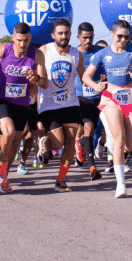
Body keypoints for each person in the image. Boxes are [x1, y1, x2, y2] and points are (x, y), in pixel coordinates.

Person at [83, 20, 132, 198]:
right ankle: (121, 185)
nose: (123, 40)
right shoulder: (102, 54)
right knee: (119, 138)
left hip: (131, 96)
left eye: (126, 37)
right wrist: (95, 86)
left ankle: (113, 144)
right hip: (110, 97)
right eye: (119, 36)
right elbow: (86, 76)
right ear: (112, 35)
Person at [0, 23, 46, 193]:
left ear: (30, 38)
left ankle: (4, 176)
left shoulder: (37, 54)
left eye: (26, 40)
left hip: (22, 102)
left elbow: (45, 83)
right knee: (8, 132)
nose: (23, 44)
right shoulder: (3, 50)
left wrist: (37, 79)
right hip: (3, 99)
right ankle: (1, 168)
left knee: (16, 141)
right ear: (12, 38)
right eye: (19, 40)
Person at [36, 19, 86, 192]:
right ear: (53, 35)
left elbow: (84, 76)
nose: (64, 36)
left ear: (71, 34)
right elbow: (40, 78)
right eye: (60, 33)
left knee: (71, 141)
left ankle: (61, 179)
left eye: (66, 33)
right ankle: (45, 144)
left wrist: (97, 84)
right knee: (58, 143)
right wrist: (37, 80)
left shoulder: (76, 54)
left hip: (70, 102)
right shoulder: (44, 51)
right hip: (49, 103)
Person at [74, 22, 104, 181]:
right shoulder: (73, 53)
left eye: (91, 37)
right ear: (78, 37)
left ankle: (80, 144)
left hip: (97, 97)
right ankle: (92, 167)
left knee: (90, 131)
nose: (88, 41)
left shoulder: (100, 52)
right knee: (88, 126)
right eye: (84, 38)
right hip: (79, 95)